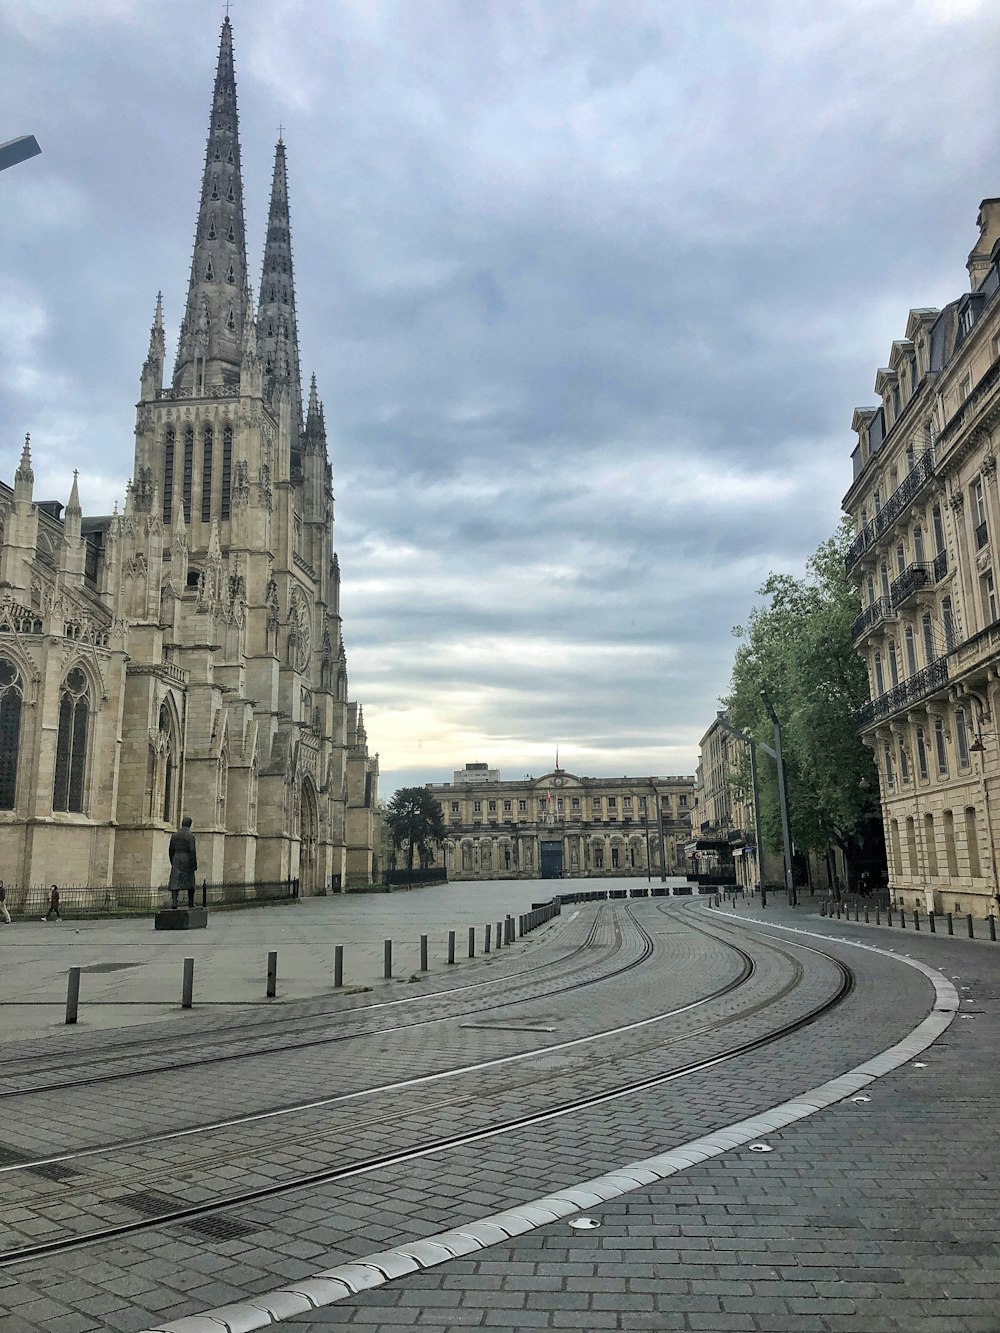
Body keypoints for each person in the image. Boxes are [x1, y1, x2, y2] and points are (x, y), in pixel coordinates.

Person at [167, 816, 198, 910]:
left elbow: (170, 850)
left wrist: (172, 860)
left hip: (176, 858)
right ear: (190, 825)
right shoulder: (191, 836)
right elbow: (192, 851)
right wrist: (194, 864)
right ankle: (191, 902)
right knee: (190, 882)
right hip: (186, 859)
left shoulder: (174, 835)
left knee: (175, 881)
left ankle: (174, 902)